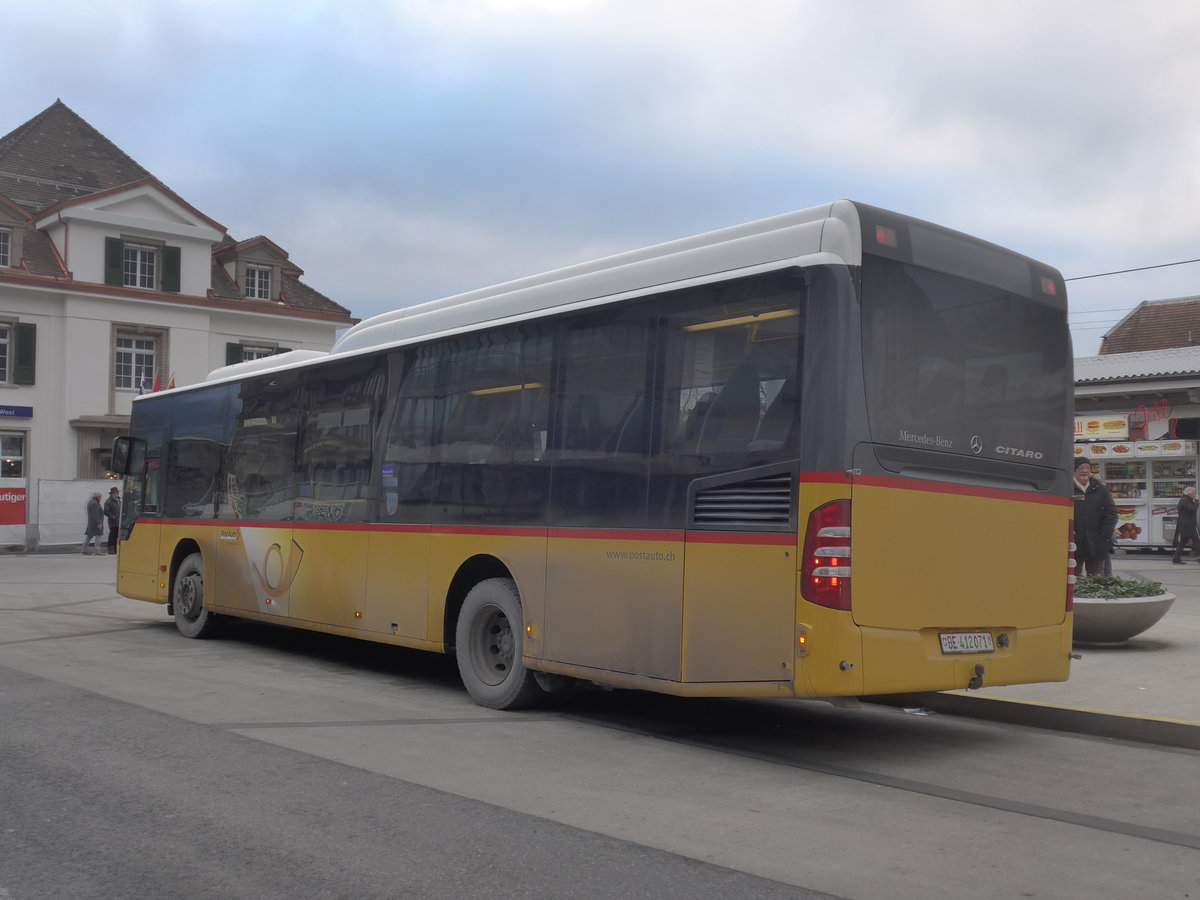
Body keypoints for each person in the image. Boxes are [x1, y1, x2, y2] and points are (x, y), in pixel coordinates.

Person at [1072, 458, 1117, 576]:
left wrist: (1105, 534)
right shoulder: (1066, 488)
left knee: (1097, 578)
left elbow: (1111, 513)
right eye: (1081, 468)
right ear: (1074, 471)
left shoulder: (1100, 489)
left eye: (1087, 468)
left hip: (1096, 543)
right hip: (1074, 543)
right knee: (1073, 578)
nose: (1085, 471)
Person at [1172, 486, 1200, 564]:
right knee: (1197, 541)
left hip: (1186, 524)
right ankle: (1176, 559)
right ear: (1189, 493)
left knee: (1183, 542)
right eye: (1194, 493)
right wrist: (1197, 501)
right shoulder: (1185, 500)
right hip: (1187, 525)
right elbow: (1192, 508)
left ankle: (1176, 559)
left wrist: (1195, 500)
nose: (1195, 494)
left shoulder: (1186, 499)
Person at [103, 486, 121, 555]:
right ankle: (110, 550)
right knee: (112, 536)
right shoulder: (108, 501)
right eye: (116, 493)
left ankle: (115, 550)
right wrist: (113, 517)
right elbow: (106, 511)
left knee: (116, 536)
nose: (118, 494)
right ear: (113, 493)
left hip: (118, 521)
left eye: (118, 493)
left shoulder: (118, 500)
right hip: (113, 522)